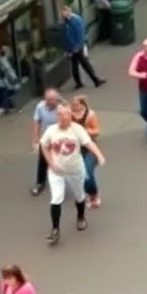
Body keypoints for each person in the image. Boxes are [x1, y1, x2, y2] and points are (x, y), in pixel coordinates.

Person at [40, 102, 105, 243]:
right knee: (56, 198)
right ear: (58, 116)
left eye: (68, 114)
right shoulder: (51, 131)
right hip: (57, 171)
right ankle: (55, 229)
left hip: (75, 170)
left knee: (79, 195)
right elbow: (44, 146)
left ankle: (81, 217)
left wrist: (99, 156)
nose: (66, 117)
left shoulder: (77, 129)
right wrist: (51, 163)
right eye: (63, 115)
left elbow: (89, 143)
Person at [61, 5, 104, 90]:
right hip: (72, 47)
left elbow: (80, 34)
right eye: (63, 14)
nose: (64, 15)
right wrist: (67, 48)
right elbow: (66, 35)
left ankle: (88, 81)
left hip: (76, 47)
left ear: (70, 11)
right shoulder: (67, 21)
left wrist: (78, 46)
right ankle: (94, 80)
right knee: (81, 64)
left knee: (81, 63)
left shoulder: (76, 21)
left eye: (65, 13)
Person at [70, 95, 102, 209]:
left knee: (88, 172)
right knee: (78, 174)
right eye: (73, 104)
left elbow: (97, 131)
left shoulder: (90, 114)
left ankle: (94, 194)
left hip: (89, 147)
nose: (74, 106)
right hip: (75, 149)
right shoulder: (69, 114)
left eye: (76, 104)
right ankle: (86, 194)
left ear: (83, 104)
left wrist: (83, 131)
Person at [29, 90, 61, 197]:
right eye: (48, 100)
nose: (50, 102)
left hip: (60, 138)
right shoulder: (40, 107)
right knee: (43, 159)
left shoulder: (63, 107)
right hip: (47, 137)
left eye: (52, 100)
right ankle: (40, 183)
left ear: (57, 99)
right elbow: (36, 122)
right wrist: (35, 139)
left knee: (62, 160)